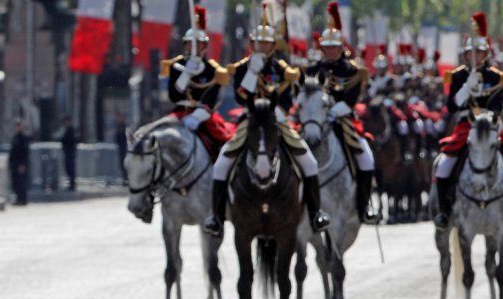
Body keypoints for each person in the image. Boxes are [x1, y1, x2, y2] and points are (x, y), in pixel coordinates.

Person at [202, 4, 330, 237]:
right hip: (250, 119)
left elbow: (289, 98)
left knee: (309, 163)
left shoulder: (281, 68)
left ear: (273, 45)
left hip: (277, 120)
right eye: (258, 43)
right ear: (252, 44)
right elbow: (241, 95)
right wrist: (252, 72)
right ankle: (217, 218)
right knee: (221, 164)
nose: (262, 47)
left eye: (266, 43)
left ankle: (315, 214)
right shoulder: (242, 68)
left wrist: (278, 112)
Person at [433, 12, 503, 232]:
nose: (474, 56)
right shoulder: (458, 76)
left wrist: (487, 115)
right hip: (465, 126)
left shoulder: (497, 76)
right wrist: (466, 88)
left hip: (492, 126)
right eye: (471, 53)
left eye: (479, 52)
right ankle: (444, 212)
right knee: (443, 166)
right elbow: (451, 107)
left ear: (485, 54)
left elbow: (499, 105)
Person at [305, 1, 378, 224]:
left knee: (366, 158)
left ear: (341, 47)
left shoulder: (352, 71)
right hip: (315, 121)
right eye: (326, 47)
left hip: (342, 120)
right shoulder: (313, 69)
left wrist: (333, 112)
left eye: (333, 47)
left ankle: (364, 205)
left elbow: (352, 99)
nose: (329, 51)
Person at [160, 5, 232, 160]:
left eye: (198, 43)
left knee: (222, 144)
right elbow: (174, 95)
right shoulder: (176, 66)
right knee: (159, 140)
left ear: (204, 46)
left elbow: (212, 99)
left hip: (203, 115)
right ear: (185, 45)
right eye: (189, 43)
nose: (193, 47)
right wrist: (186, 73)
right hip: (180, 111)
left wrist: (197, 117)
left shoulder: (213, 70)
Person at [8, 120, 30, 206]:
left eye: (19, 126)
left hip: (21, 163)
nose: (17, 127)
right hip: (15, 163)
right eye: (16, 126)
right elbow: (12, 152)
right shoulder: (15, 138)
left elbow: (25, 152)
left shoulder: (23, 138)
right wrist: (10, 163)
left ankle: (23, 199)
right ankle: (18, 198)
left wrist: (23, 164)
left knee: (22, 182)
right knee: (16, 182)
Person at [56, 115, 78, 191]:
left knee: (70, 168)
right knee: (68, 168)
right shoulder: (67, 130)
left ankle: (72, 184)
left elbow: (69, 140)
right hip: (67, 152)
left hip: (70, 152)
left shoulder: (71, 130)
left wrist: (62, 139)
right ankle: (71, 184)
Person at [114, 113, 128, 185]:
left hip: (124, 147)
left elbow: (123, 137)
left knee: (124, 164)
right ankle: (124, 179)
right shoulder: (118, 126)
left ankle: (126, 179)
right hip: (120, 147)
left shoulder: (123, 126)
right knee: (121, 164)